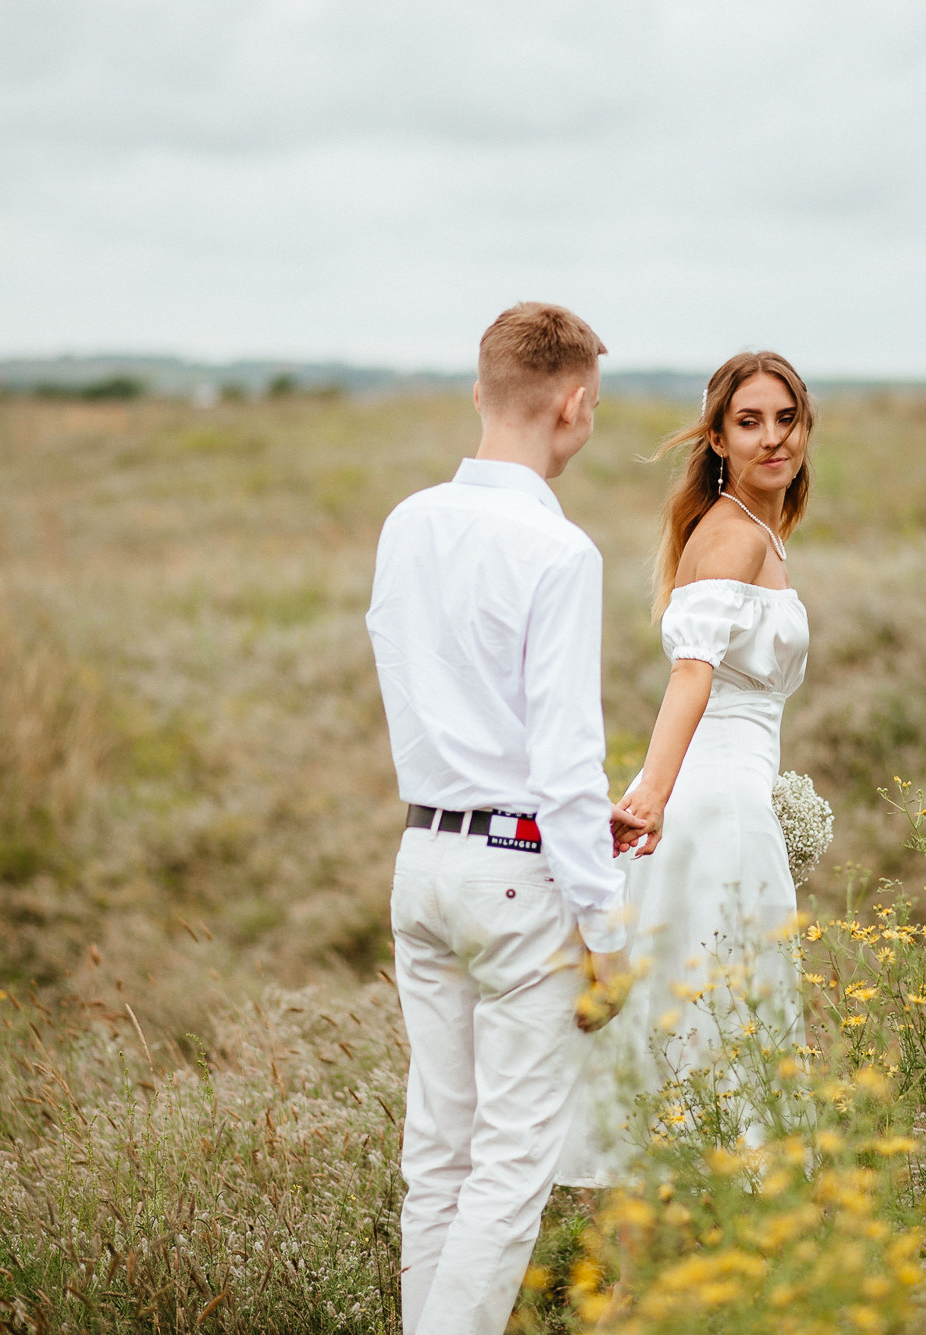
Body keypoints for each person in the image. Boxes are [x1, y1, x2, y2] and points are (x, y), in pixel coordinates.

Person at [366, 302, 642, 1335]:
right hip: (518, 870)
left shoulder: (407, 523)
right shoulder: (558, 552)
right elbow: (566, 763)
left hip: (422, 857)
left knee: (436, 1151)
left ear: (481, 392)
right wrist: (606, 930)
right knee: (511, 1163)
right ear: (571, 406)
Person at [557, 351, 814, 1187]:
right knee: (723, 1022)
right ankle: (722, 1226)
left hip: (727, 794)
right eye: (750, 421)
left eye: (786, 418)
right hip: (715, 807)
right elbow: (693, 671)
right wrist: (652, 799)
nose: (772, 437)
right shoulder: (734, 534)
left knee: (705, 1014)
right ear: (716, 438)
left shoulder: (749, 528)